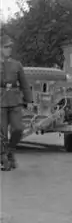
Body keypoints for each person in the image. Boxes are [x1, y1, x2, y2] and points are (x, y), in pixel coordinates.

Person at [0, 34, 32, 170]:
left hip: (15, 100)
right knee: (1, 132)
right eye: (6, 47)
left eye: (10, 47)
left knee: (18, 128)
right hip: (0, 100)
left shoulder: (16, 64)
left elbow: (24, 84)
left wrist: (29, 100)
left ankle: (10, 151)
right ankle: (3, 158)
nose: (9, 49)